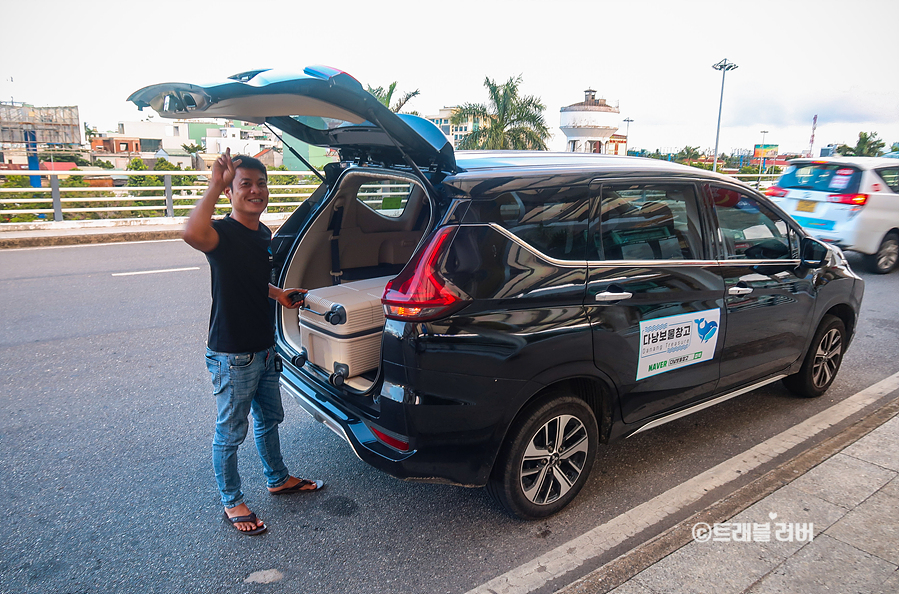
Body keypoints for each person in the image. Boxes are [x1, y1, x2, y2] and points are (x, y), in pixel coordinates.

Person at [183, 148, 323, 536]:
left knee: (270, 419)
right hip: (233, 354)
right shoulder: (221, 233)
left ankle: (277, 478)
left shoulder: (262, 233)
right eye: (245, 184)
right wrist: (215, 184)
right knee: (230, 432)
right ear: (231, 191)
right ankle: (231, 501)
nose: (256, 190)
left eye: (261, 183)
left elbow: (246, 278)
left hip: (264, 347)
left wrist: (277, 294)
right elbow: (190, 232)